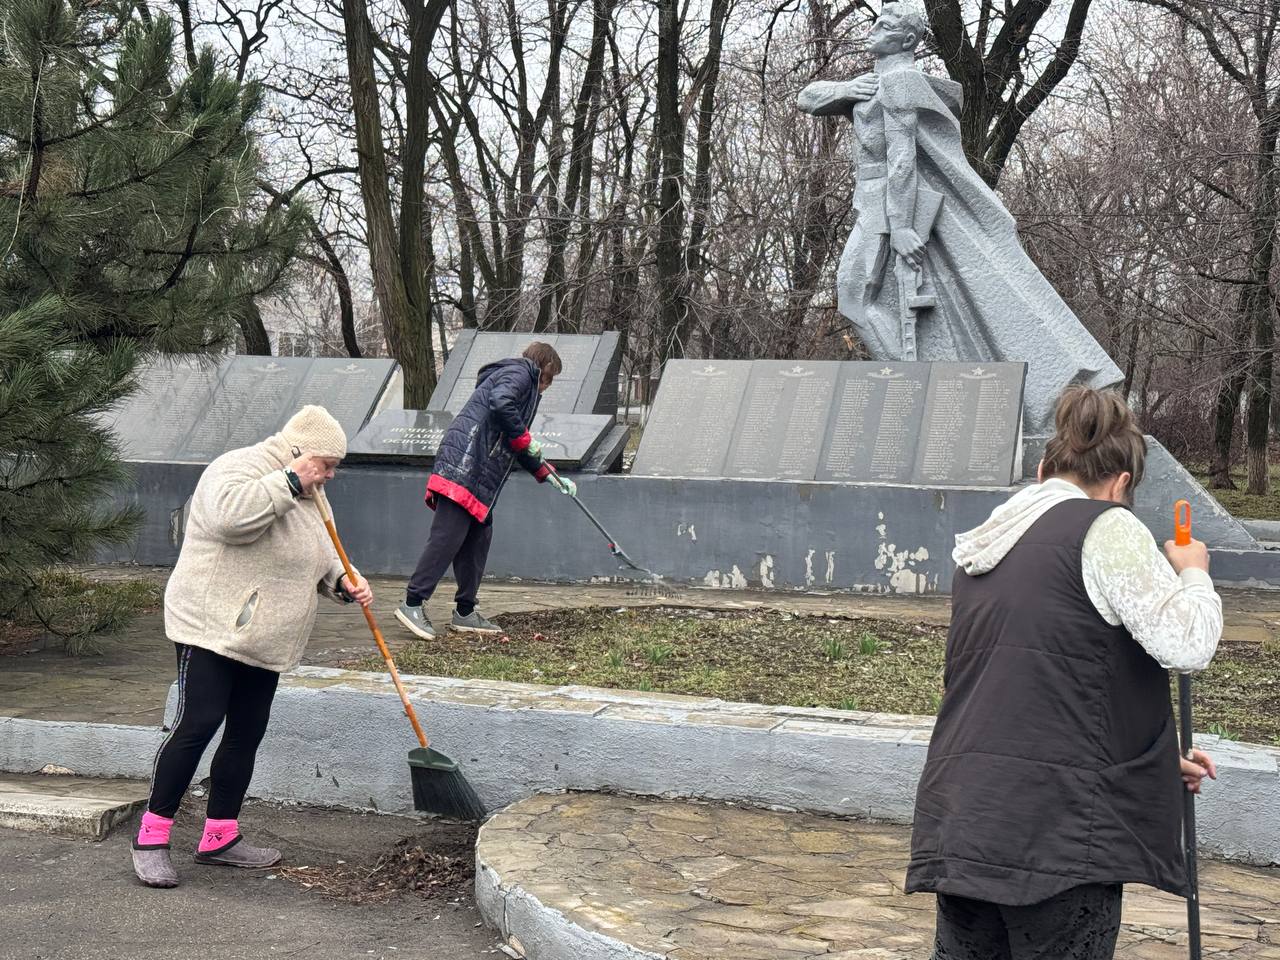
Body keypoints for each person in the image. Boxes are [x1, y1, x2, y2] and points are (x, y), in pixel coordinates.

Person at [905, 386, 1222, 959]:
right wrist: (1192, 573)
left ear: (1044, 469)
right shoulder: (1106, 526)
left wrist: (1147, 765)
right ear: (1122, 482)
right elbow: (1188, 643)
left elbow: (1036, 686)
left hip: (968, 818)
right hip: (1058, 837)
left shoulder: (988, 544)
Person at [796, 4, 1121, 430]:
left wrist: (902, 228)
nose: (873, 29)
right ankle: (919, 385)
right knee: (856, 300)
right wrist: (846, 89)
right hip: (873, 205)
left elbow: (903, 162)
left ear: (908, 41)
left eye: (886, 25)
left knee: (853, 298)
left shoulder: (901, 83)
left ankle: (915, 387)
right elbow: (805, 97)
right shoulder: (875, 84)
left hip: (887, 210)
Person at [131, 405, 373, 889]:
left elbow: (322, 551)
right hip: (213, 624)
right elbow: (229, 520)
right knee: (197, 723)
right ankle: (151, 837)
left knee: (246, 731)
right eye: (326, 464)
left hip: (268, 635)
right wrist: (288, 482)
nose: (331, 475)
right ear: (298, 453)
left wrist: (341, 581)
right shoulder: (238, 467)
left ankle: (220, 836)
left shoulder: (315, 495)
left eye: (334, 467)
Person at [395, 342, 576, 640]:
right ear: (542, 368)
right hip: (464, 466)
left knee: (478, 537)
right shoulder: (521, 373)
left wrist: (546, 472)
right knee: (448, 536)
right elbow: (501, 403)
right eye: (550, 378)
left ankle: (465, 611)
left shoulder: (524, 385)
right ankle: (412, 603)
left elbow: (515, 440)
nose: (547, 386)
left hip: (479, 474)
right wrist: (524, 436)